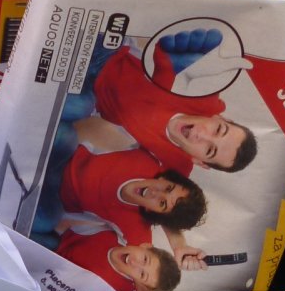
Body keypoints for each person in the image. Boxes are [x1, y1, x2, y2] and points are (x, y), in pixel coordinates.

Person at [92, 40, 257, 174]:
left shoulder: (175, 165)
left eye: (209, 150)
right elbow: (165, 45)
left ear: (200, 162)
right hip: (107, 54)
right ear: (220, 118)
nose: (201, 135)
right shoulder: (203, 92)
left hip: (89, 97)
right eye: (218, 130)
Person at [59, 146, 207, 244]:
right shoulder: (148, 159)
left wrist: (179, 248)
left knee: (48, 221)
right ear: (165, 178)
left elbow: (146, 261)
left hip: (54, 196)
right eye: (168, 188)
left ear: (153, 212)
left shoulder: (134, 227)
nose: (154, 193)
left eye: (162, 203)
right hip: (65, 155)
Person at [55, 232, 193, 291]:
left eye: (142, 274)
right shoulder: (111, 232)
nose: (134, 263)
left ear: (140, 284)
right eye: (145, 259)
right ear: (145, 246)